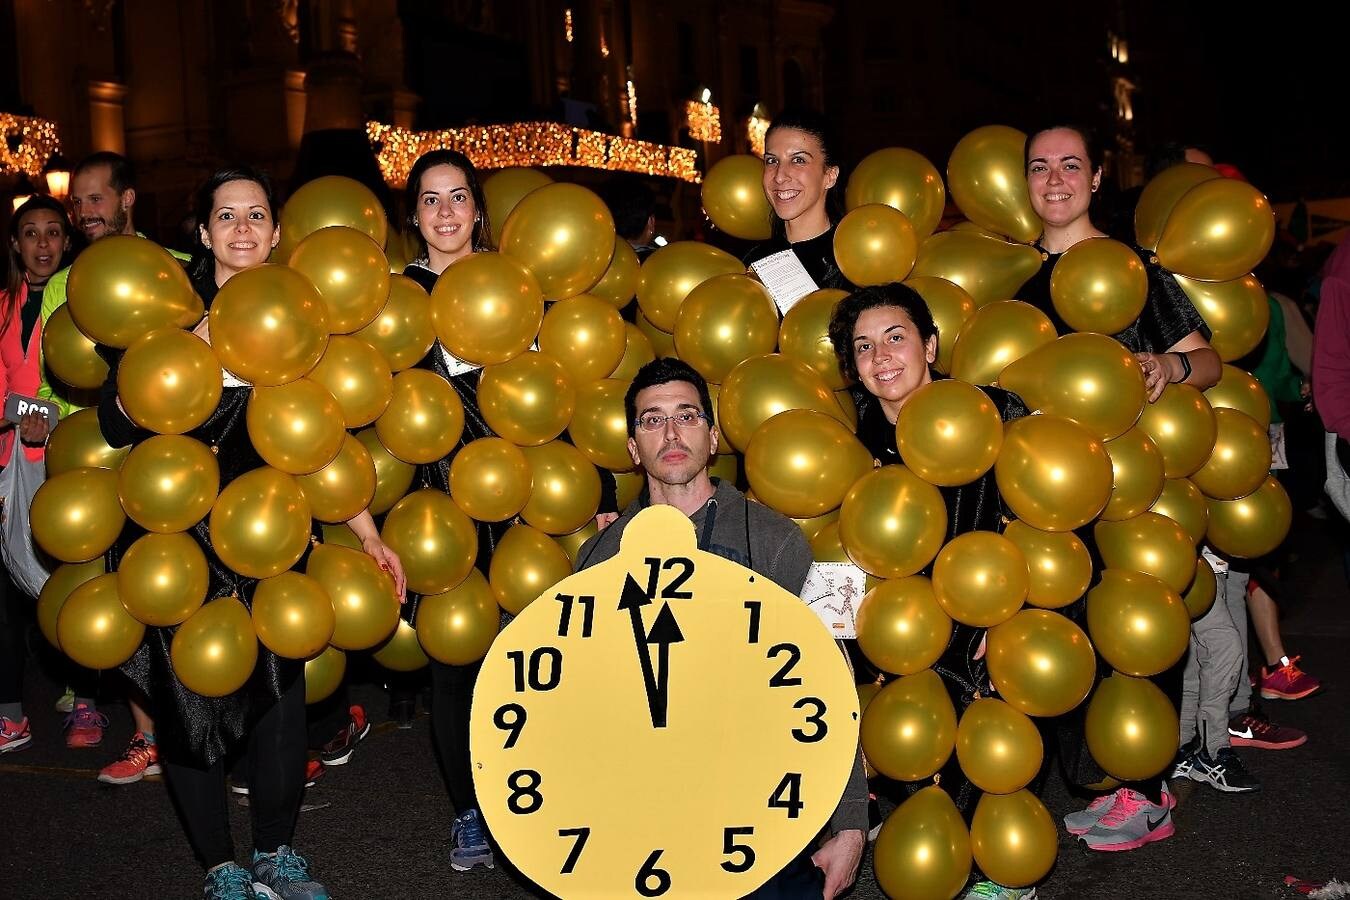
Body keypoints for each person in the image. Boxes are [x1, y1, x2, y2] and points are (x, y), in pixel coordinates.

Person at [97, 166, 404, 900]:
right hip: (180, 538)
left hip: (274, 533)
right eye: (225, 216)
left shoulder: (306, 319)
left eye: (256, 215)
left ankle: (276, 853)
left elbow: (324, 442)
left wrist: (366, 533)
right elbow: (111, 420)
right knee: (187, 702)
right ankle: (219, 865)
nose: (242, 228)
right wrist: (190, 348)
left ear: (275, 230)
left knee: (280, 702)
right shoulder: (165, 316)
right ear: (203, 234)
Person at [1016, 123, 1245, 850]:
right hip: (1047, 493)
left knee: (1135, 630)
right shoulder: (1010, 279)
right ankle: (1119, 780)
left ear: (1095, 178)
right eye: (1040, 167)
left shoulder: (1132, 269)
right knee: (1076, 637)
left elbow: (1207, 362)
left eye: (1070, 165)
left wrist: (1166, 369)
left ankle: (1148, 792)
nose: (1055, 179)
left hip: (1130, 491)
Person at [575, 357, 868, 900]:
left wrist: (850, 821)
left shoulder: (781, 539)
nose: (670, 432)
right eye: (651, 419)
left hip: (761, 810)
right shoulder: (597, 558)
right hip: (644, 816)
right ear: (634, 450)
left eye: (686, 416)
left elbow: (833, 683)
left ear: (712, 438)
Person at [827, 284, 1035, 900]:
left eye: (896, 337)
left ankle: (996, 866)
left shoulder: (991, 411)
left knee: (982, 737)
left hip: (990, 610)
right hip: (899, 623)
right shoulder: (857, 442)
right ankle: (923, 820)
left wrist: (1010, 617)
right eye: (863, 347)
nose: (880, 356)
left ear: (931, 345)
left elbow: (1045, 529)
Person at [36, 152, 185, 773]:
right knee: (128, 591)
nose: (84, 212)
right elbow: (51, 387)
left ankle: (204, 730)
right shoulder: (61, 288)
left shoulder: (176, 268)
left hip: (178, 454)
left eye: (96, 199)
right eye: (79, 203)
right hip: (105, 454)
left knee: (184, 589)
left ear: (127, 200)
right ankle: (147, 733)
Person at [0, 196, 75, 753]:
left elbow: (83, 386)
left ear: (66, 241)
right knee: (9, 594)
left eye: (53, 232)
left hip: (67, 462)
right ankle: (10, 714)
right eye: (31, 233)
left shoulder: (81, 301)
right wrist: (25, 416)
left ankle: (86, 697)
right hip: (9, 465)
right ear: (15, 243)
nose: (43, 243)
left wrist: (42, 417)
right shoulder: (2, 306)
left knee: (72, 581)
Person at [744, 109, 853, 294]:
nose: (779, 176)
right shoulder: (752, 264)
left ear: (830, 176)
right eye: (771, 160)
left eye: (798, 160)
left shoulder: (853, 263)